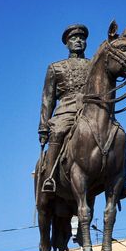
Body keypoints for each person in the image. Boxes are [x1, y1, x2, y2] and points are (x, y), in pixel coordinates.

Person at [39, 24, 91, 193]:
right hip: (66, 111)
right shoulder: (56, 67)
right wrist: (43, 127)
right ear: (67, 43)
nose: (79, 41)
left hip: (91, 111)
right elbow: (48, 99)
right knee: (59, 130)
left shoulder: (94, 65)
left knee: (117, 133)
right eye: (74, 38)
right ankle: (49, 177)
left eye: (82, 38)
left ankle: (120, 179)